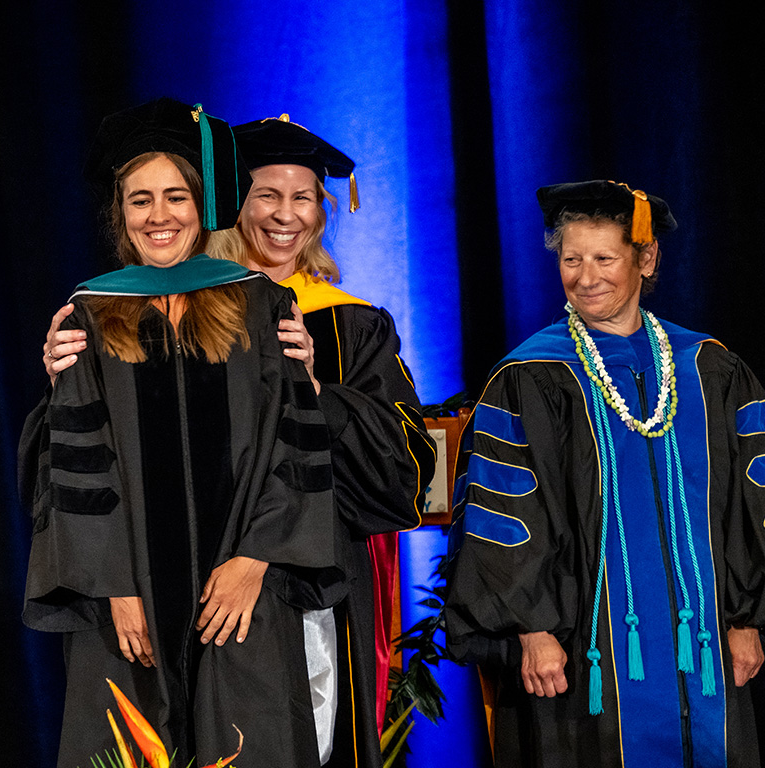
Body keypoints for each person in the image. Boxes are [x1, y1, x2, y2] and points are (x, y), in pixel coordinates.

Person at [43, 114, 436, 767]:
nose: (285, 215)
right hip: (152, 583)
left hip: (295, 579)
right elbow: (76, 455)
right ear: (231, 204)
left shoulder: (345, 323)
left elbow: (404, 469)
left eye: (302, 196)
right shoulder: (120, 307)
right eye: (265, 195)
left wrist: (315, 392)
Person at [18, 98, 341, 768]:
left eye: (175, 197)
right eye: (140, 200)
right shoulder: (91, 311)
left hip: (243, 596)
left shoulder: (259, 302)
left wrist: (254, 561)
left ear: (202, 206)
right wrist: (114, 590)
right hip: (128, 600)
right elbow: (75, 465)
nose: (158, 216)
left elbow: (297, 441)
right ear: (120, 213)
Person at [444, 179, 765, 766]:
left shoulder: (709, 367)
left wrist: (745, 617)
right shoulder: (530, 376)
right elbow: (506, 517)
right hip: (581, 649)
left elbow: (750, 504)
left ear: (646, 260)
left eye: (604, 258)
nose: (585, 277)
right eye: (571, 259)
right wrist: (531, 630)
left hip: (705, 645)